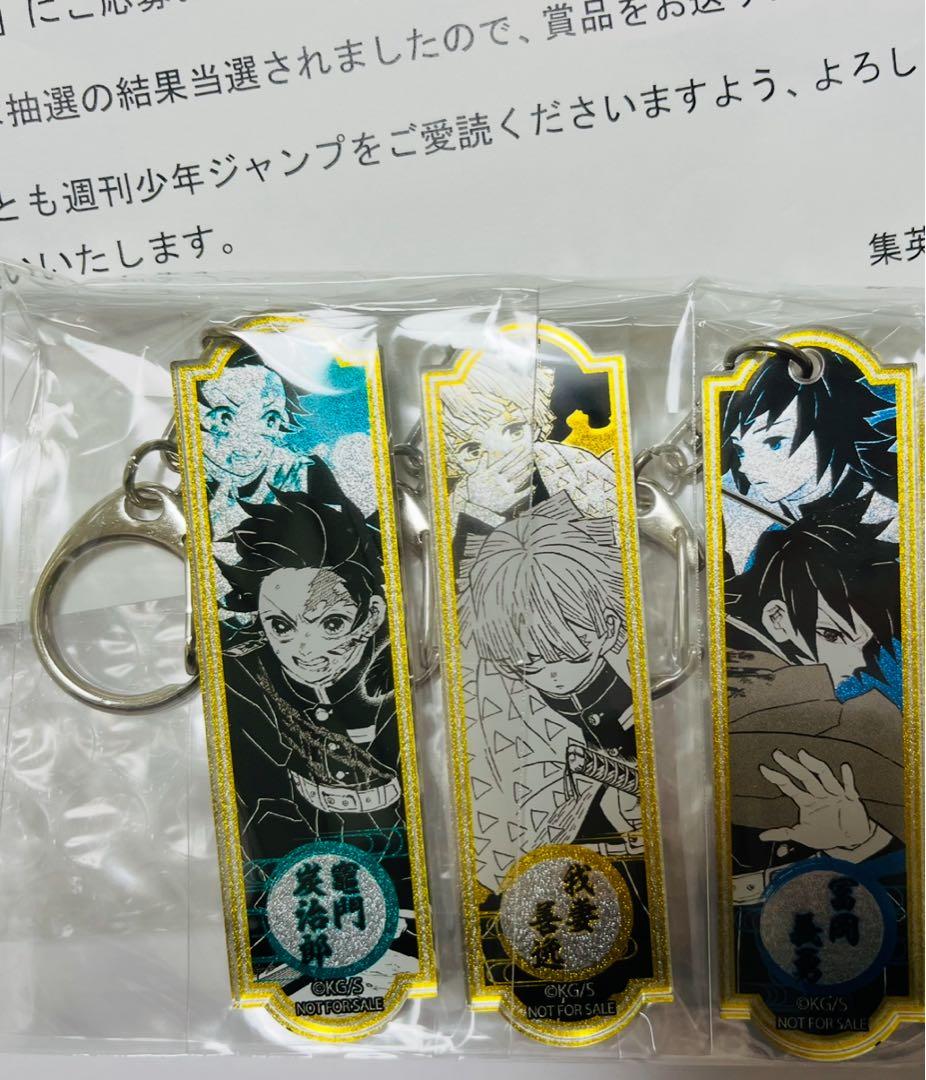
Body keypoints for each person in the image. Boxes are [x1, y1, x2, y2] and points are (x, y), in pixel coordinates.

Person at [458, 493, 641, 892]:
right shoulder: (501, 717)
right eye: (529, 663)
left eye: (570, 653)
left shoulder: (642, 695)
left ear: (609, 628)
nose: (554, 674)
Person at [216, 490, 401, 861]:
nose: (304, 649)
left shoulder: (403, 661)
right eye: (281, 626)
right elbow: (263, 803)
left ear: (372, 614)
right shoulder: (244, 678)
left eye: (331, 623)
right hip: (302, 859)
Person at [718, 347, 897, 572]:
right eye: (740, 450)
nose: (747, 466)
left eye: (775, 442)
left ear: (832, 427)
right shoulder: (775, 539)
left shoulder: (893, 519)